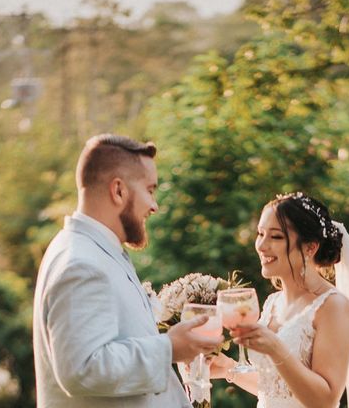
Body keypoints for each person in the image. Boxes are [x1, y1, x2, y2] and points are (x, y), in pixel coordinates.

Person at [33, 134, 222, 408]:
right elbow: (82, 369)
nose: (154, 206)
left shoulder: (96, 251)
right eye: (150, 190)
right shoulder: (81, 264)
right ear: (118, 190)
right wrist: (168, 348)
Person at [211, 192, 349, 408]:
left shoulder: (333, 306)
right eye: (260, 234)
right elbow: (278, 390)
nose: (261, 245)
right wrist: (228, 368)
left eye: (276, 236)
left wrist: (275, 348)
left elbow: (325, 400)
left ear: (310, 247)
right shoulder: (272, 303)